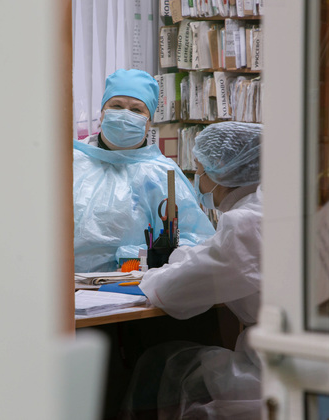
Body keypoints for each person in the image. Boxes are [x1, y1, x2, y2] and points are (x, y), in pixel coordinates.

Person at [123, 121, 263, 419]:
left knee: (160, 364)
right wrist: (182, 257)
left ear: (222, 170)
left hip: (272, 372)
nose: (198, 181)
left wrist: (152, 275)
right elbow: (212, 256)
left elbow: (172, 292)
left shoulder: (244, 223)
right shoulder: (270, 208)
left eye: (200, 171)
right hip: (314, 361)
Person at [73, 69, 215, 272]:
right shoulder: (69, 162)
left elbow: (196, 241)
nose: (125, 115)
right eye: (116, 106)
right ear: (102, 113)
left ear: (149, 123)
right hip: (62, 282)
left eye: (136, 110)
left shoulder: (163, 174)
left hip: (132, 284)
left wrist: (138, 255)